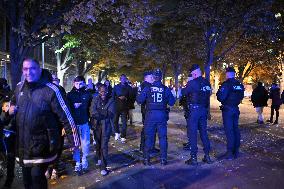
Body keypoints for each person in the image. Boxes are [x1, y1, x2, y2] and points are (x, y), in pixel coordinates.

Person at [10, 58, 80, 189]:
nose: (28, 72)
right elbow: (12, 105)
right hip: (23, 147)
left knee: (37, 179)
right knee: (27, 182)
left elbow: (66, 116)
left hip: (42, 146)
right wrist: (9, 109)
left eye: (32, 68)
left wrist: (74, 141)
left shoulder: (52, 90)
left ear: (39, 70)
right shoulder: (19, 87)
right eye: (25, 69)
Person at [137, 69, 175, 166]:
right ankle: (163, 159)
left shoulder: (148, 88)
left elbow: (140, 100)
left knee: (149, 137)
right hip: (162, 115)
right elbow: (171, 102)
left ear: (153, 77)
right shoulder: (165, 89)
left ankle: (146, 159)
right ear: (161, 77)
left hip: (150, 115)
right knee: (162, 137)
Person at [183, 64, 213, 165]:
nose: (192, 76)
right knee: (204, 133)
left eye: (192, 74)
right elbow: (209, 95)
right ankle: (207, 156)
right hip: (203, 110)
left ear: (195, 73)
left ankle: (194, 158)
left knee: (193, 133)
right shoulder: (207, 83)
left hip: (194, 111)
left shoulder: (192, 83)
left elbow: (183, 92)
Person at [217, 67, 244, 160]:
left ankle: (229, 153)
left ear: (227, 74)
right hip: (236, 109)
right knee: (235, 129)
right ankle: (236, 151)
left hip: (228, 109)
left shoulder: (226, 84)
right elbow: (241, 96)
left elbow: (220, 97)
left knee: (229, 131)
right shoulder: (239, 84)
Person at [67, 76, 92, 175]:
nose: (78, 85)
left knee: (85, 143)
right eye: (77, 83)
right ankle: (77, 162)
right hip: (74, 123)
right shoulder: (69, 95)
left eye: (81, 83)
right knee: (75, 144)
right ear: (74, 83)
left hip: (85, 121)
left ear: (84, 83)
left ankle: (84, 159)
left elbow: (90, 107)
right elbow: (66, 108)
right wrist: (72, 106)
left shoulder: (87, 94)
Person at [90, 84, 115, 176]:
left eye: (104, 91)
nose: (103, 93)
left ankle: (103, 167)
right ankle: (99, 158)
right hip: (96, 126)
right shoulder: (95, 99)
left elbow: (111, 113)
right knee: (98, 143)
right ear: (98, 91)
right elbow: (92, 112)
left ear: (107, 91)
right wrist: (103, 113)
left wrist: (99, 112)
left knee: (104, 145)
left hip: (106, 126)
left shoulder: (111, 100)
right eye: (101, 91)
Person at [139, 71, 159, 153]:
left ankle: (144, 147)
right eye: (151, 77)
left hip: (146, 110)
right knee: (150, 129)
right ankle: (148, 148)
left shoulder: (143, 85)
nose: (153, 79)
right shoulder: (147, 86)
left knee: (146, 129)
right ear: (146, 78)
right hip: (148, 111)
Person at [0, 98, 16, 188]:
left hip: (16, 139)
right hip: (7, 141)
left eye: (10, 105)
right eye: (6, 106)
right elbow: (3, 120)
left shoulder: (15, 115)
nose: (9, 107)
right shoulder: (2, 117)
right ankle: (9, 180)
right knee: (10, 159)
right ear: (3, 108)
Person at [112, 74, 132, 143]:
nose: (123, 79)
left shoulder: (129, 87)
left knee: (124, 123)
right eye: (122, 78)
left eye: (124, 78)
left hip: (125, 107)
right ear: (120, 79)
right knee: (115, 121)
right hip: (116, 106)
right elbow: (112, 96)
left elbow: (131, 97)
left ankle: (123, 136)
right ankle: (117, 133)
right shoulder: (116, 87)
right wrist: (118, 98)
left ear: (126, 79)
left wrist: (126, 98)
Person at [179, 73, 194, 150]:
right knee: (189, 127)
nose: (187, 81)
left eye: (189, 79)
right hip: (188, 110)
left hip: (190, 111)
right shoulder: (190, 86)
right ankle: (190, 142)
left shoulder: (191, 86)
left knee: (191, 128)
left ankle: (191, 144)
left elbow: (184, 94)